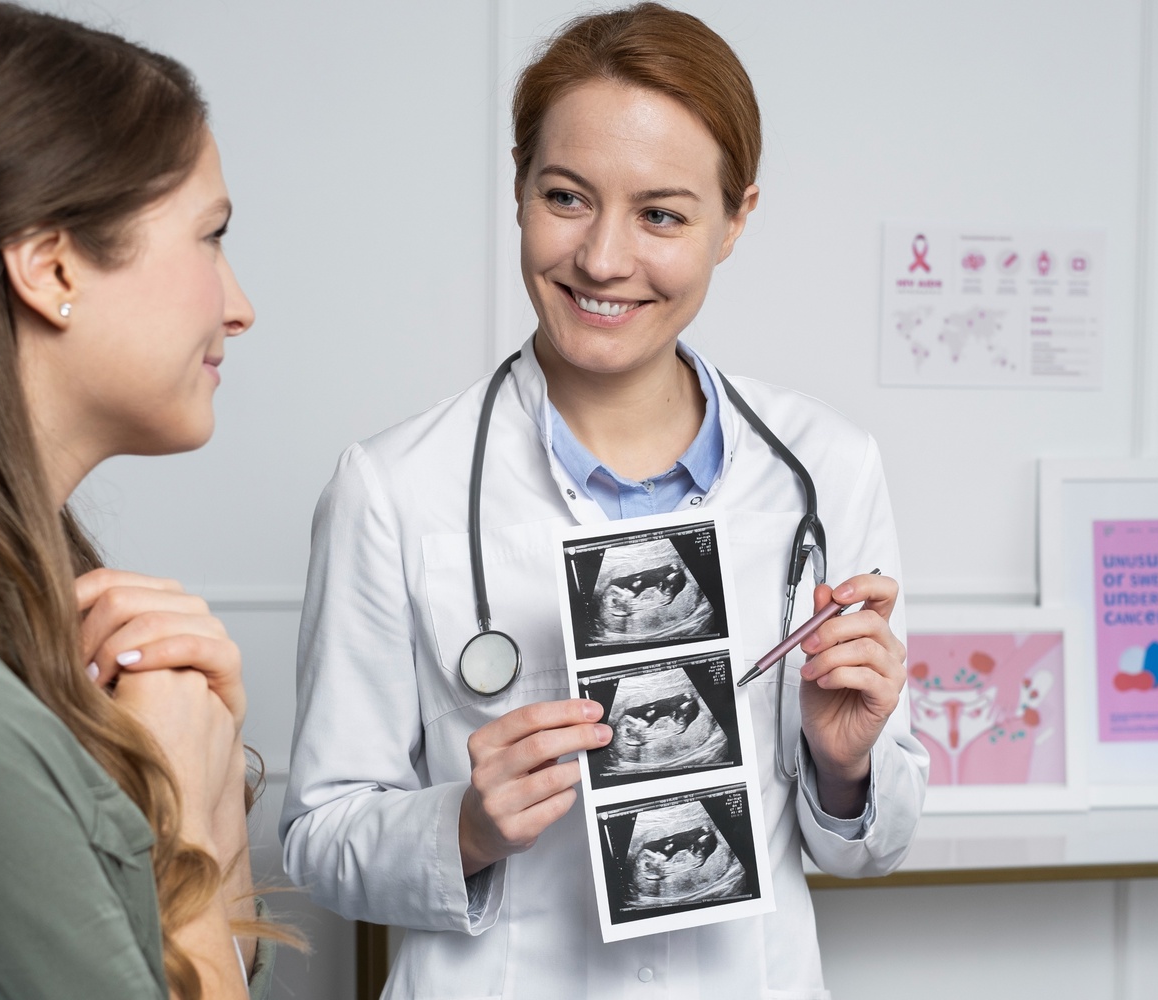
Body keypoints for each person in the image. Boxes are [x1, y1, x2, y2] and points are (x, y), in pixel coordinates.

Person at [282, 4, 928, 997]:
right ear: (518, 187)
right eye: (567, 197)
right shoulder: (392, 487)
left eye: (662, 214)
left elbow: (872, 844)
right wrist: (465, 825)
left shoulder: (827, 469)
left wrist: (844, 767)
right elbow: (319, 836)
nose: (603, 259)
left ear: (735, 219)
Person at [0, 5, 289, 997]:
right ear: (50, 269)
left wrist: (209, 797)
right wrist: (177, 817)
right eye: (210, 238)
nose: (240, 307)